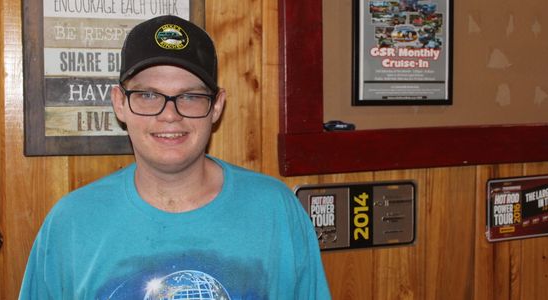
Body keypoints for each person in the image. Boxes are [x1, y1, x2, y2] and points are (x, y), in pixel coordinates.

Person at [19, 15, 331, 299]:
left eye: (190, 97)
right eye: (149, 95)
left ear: (217, 105)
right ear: (119, 103)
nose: (170, 115)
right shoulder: (71, 223)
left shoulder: (276, 210)